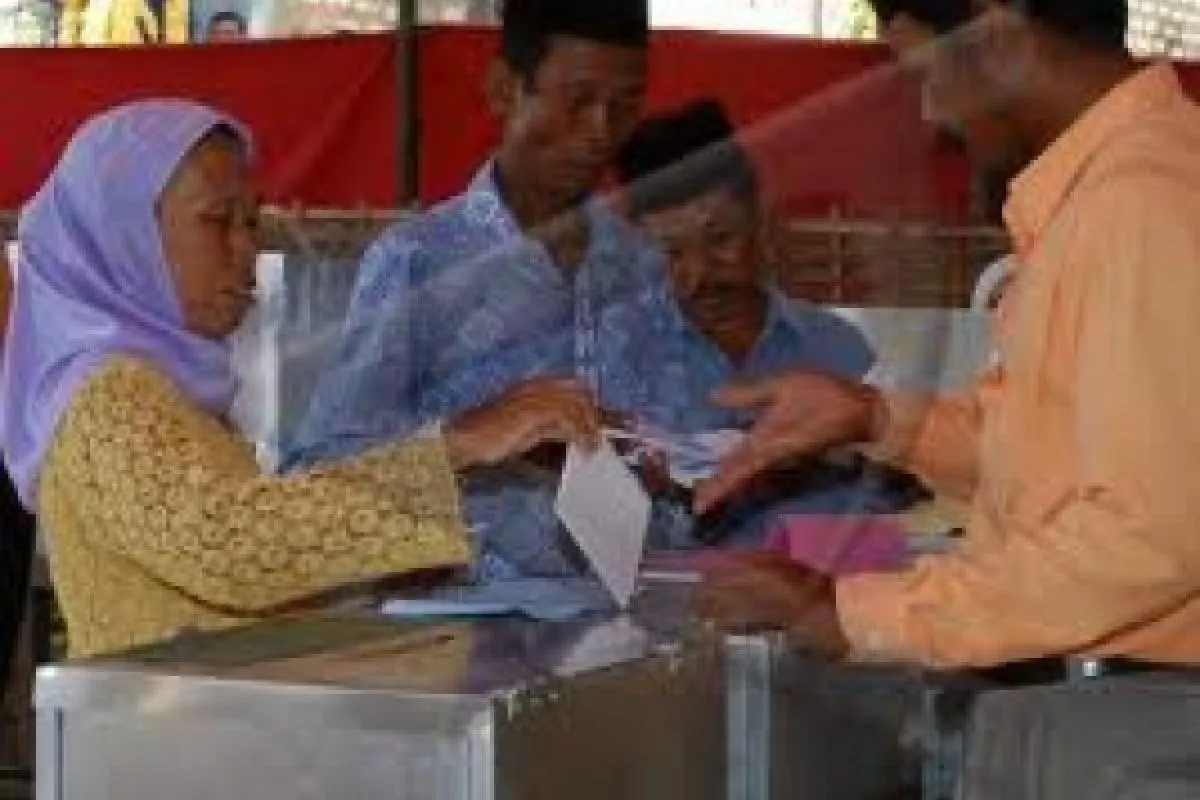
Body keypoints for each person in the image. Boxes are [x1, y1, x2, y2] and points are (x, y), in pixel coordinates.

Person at [0, 99, 606, 658]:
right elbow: (231, 547)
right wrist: (458, 446)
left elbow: (237, 573)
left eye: (251, 222)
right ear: (125, 236)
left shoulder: (168, 388)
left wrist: (378, 568)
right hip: (167, 734)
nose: (246, 250)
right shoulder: (108, 392)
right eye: (217, 221)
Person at [696, 0, 1200, 669]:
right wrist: (875, 418)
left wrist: (851, 614)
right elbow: (1050, 461)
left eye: (925, 72)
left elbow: (1149, 535)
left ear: (996, 37)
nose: (931, 113)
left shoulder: (1140, 205)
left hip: (1141, 702)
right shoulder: (1112, 193)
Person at [287, 0, 685, 589]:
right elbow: (318, 474)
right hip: (466, 617)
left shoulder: (642, 265)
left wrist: (662, 458)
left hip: (631, 609)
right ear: (504, 90)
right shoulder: (419, 262)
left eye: (624, 106)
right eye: (577, 101)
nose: (601, 130)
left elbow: (679, 450)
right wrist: (475, 436)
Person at [616, 98, 921, 544]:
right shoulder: (620, 356)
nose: (699, 276)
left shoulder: (838, 350)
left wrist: (846, 464)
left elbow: (895, 513)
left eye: (720, 240)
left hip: (815, 582)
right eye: (671, 253)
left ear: (760, 217)